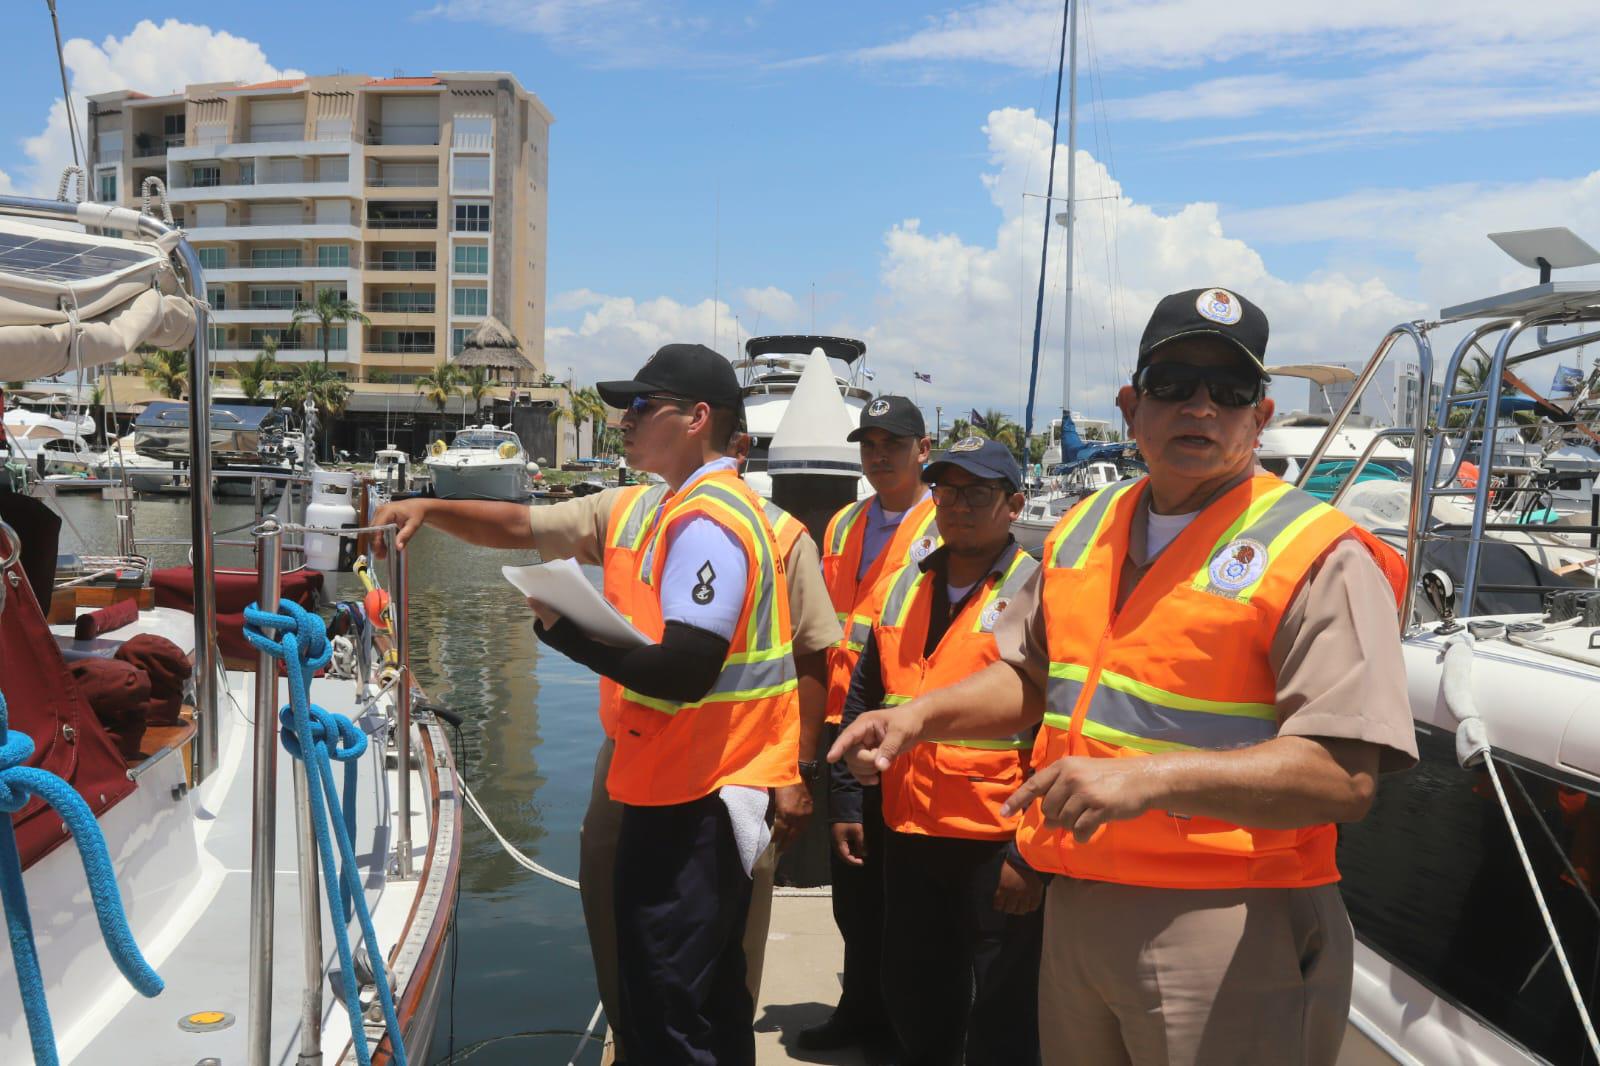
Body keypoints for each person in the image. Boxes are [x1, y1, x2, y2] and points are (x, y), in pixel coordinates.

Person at [831, 287, 1417, 1066]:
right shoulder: (1081, 529)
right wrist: (918, 718)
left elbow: (1346, 777)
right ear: (1132, 406)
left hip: (1228, 922)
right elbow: (1029, 678)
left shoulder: (1319, 553)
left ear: (1262, 417)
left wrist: (1150, 780)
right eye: (1175, 384)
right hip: (1075, 905)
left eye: (1230, 391)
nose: (1201, 408)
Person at [374, 343, 834, 1065]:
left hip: (701, 792)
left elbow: (690, 668)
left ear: (697, 419)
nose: (623, 419)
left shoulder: (710, 521)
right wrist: (429, 508)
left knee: (677, 1000)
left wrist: (566, 636)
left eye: (643, 406)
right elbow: (519, 526)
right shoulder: (651, 509)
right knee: (686, 993)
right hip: (667, 773)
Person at [834, 436, 1044, 1066]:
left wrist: (1028, 853)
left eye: (978, 493)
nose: (958, 506)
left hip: (993, 836)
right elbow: (865, 697)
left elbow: (1059, 730)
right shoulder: (905, 586)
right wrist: (846, 800)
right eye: (947, 491)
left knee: (1003, 1007)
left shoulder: (1040, 591)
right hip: (907, 825)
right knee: (915, 987)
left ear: (1014, 505)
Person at [801, 394, 938, 1057]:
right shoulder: (842, 525)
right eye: (870, 445)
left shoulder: (947, 525)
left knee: (905, 894)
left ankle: (902, 1025)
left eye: (894, 444)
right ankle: (859, 1012)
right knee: (853, 889)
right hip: (840, 722)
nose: (880, 456)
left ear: (923, 450)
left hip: (904, 730)